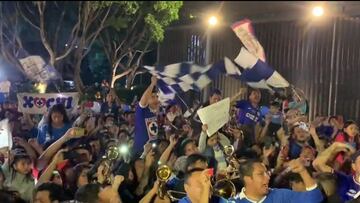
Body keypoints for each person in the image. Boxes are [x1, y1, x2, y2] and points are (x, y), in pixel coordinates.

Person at [230, 159, 323, 203]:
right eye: (261, 174)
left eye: (267, 173)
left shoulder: (281, 195)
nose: (268, 177)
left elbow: (315, 199)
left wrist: (303, 172)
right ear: (248, 179)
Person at [134, 76, 160, 153]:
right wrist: (152, 84)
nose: (156, 99)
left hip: (153, 150)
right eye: (152, 97)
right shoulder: (142, 111)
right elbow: (143, 101)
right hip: (140, 151)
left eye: (157, 97)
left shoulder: (154, 112)